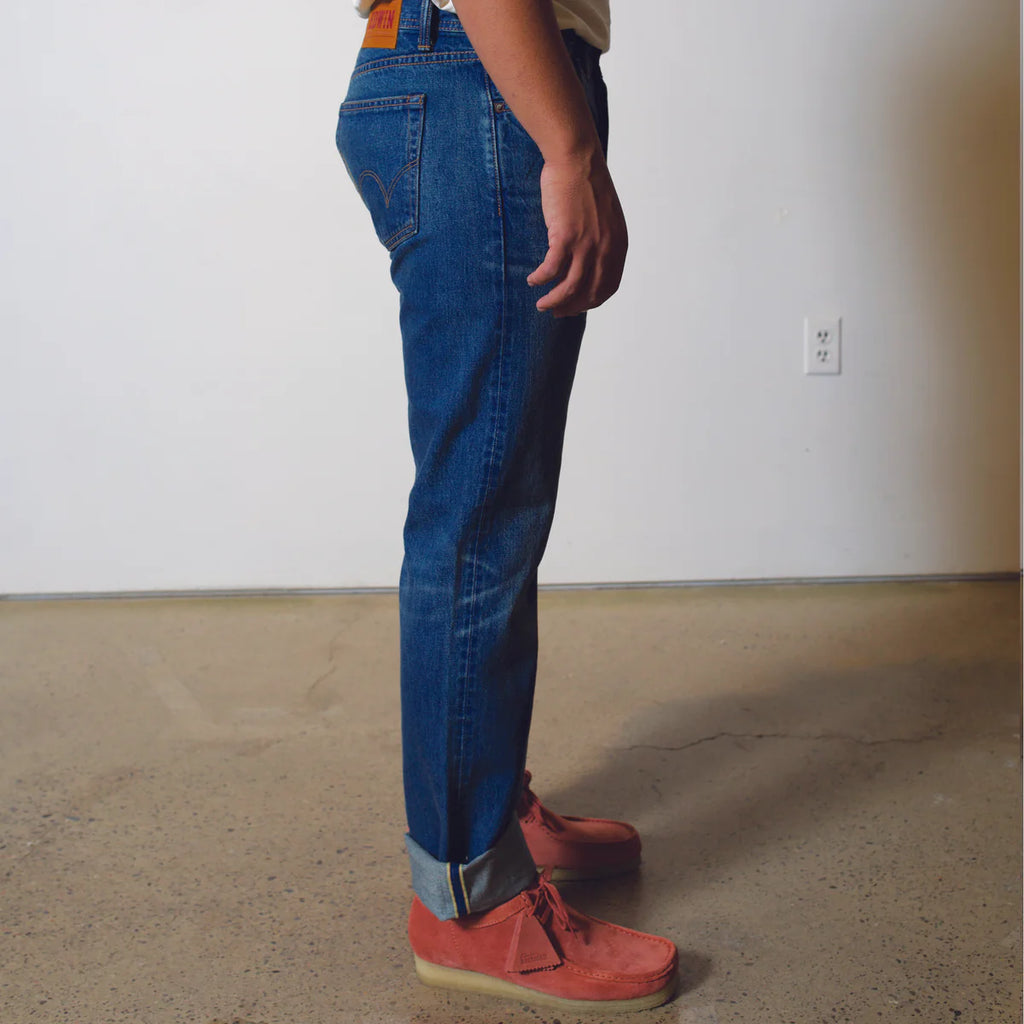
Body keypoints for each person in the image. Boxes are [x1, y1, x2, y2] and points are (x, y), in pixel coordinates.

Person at [335, 0, 677, 1010]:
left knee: (499, 496)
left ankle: (486, 806)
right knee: (478, 517)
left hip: (472, 70)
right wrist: (566, 141)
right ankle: (466, 897)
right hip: (481, 76)